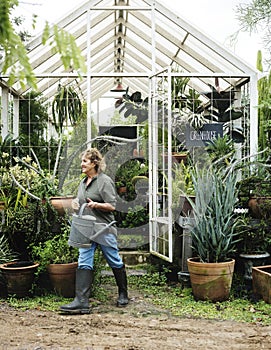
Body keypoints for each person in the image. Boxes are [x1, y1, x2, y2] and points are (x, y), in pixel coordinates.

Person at [60, 147, 128, 314]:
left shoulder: (104, 181)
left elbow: (112, 206)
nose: (81, 165)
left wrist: (96, 205)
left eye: (85, 161)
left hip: (103, 229)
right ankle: (82, 301)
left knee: (114, 260)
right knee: (84, 261)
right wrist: (75, 204)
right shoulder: (83, 183)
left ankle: (123, 293)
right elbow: (79, 200)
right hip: (86, 229)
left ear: (94, 163)